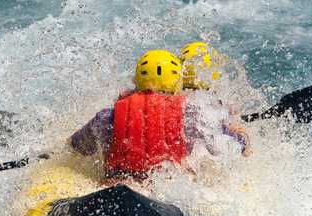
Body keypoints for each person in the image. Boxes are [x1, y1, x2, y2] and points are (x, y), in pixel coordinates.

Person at [69, 48, 250, 180]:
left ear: (136, 81)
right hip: (167, 191)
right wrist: (242, 137)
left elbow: (76, 147)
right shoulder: (193, 117)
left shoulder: (107, 117)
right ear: (178, 84)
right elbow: (226, 148)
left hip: (117, 185)